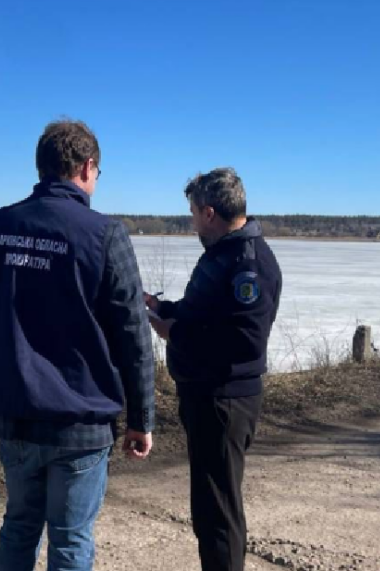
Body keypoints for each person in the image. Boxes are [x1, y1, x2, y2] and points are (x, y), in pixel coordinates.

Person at [0, 119, 156, 571]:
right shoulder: (104, 234)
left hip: (15, 412)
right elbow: (132, 333)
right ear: (87, 167)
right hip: (80, 420)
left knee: (18, 527)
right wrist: (141, 417)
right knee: (70, 541)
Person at [144, 167, 282, 571]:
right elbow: (205, 315)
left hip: (224, 401)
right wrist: (162, 309)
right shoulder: (225, 256)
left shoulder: (246, 264)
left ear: (208, 213)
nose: (191, 223)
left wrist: (176, 334)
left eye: (191, 213)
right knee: (211, 508)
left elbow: (245, 340)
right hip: (209, 396)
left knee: (218, 512)